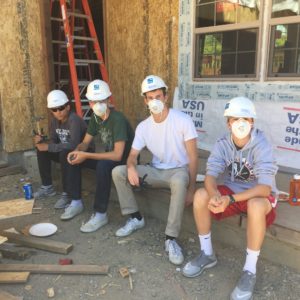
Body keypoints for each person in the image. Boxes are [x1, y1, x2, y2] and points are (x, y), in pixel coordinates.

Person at [182, 97, 278, 300]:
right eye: (235, 118)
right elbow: (210, 176)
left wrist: (231, 199)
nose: (241, 123)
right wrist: (215, 194)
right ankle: (207, 254)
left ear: (252, 121)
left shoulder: (262, 144)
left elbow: (265, 188)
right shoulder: (223, 143)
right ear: (228, 123)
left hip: (257, 196)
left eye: (246, 118)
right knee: (201, 194)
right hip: (232, 193)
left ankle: (249, 270)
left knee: (255, 205)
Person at [112, 75, 198, 265]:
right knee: (118, 172)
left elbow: (193, 156)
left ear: (166, 97)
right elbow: (132, 155)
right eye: (150, 98)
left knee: (178, 181)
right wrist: (131, 167)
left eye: (158, 96)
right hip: (156, 171)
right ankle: (135, 217)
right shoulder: (143, 127)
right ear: (145, 101)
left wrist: (191, 190)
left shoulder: (183, 120)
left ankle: (171, 239)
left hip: (178, 171)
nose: (154, 102)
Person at [64, 79, 134, 233]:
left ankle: (101, 214)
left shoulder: (118, 119)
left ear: (109, 100)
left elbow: (117, 155)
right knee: (73, 158)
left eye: (101, 100)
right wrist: (78, 151)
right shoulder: (95, 118)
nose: (97, 105)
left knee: (103, 165)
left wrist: (85, 154)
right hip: (111, 158)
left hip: (126, 161)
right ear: (89, 102)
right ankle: (75, 201)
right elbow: (85, 142)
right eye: (93, 101)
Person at [33, 90, 88, 209]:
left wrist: (50, 146)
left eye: (61, 108)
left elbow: (74, 144)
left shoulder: (74, 120)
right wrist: (43, 142)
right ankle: (47, 187)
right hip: (65, 152)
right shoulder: (54, 121)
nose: (58, 112)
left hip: (82, 154)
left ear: (68, 107)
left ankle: (67, 193)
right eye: (54, 109)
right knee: (42, 150)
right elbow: (53, 140)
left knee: (64, 152)